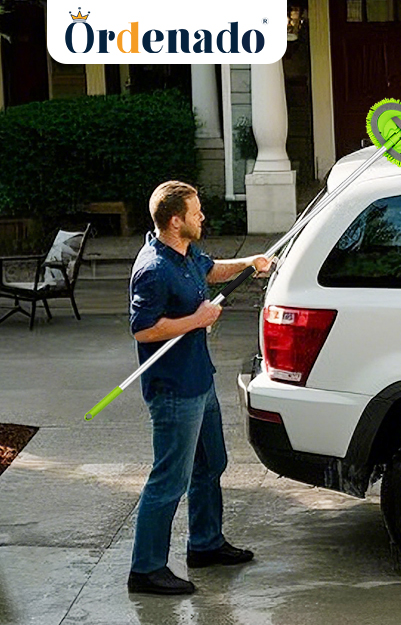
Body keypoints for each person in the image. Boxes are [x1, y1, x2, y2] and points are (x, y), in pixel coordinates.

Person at [127, 181, 271, 595]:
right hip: (173, 390)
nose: (202, 217)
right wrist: (197, 319)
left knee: (211, 464)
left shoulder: (186, 253)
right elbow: (143, 330)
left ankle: (205, 545)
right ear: (176, 221)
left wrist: (252, 263)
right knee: (169, 478)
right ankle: (146, 569)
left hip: (199, 379)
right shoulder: (153, 270)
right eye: (196, 212)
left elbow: (210, 270)